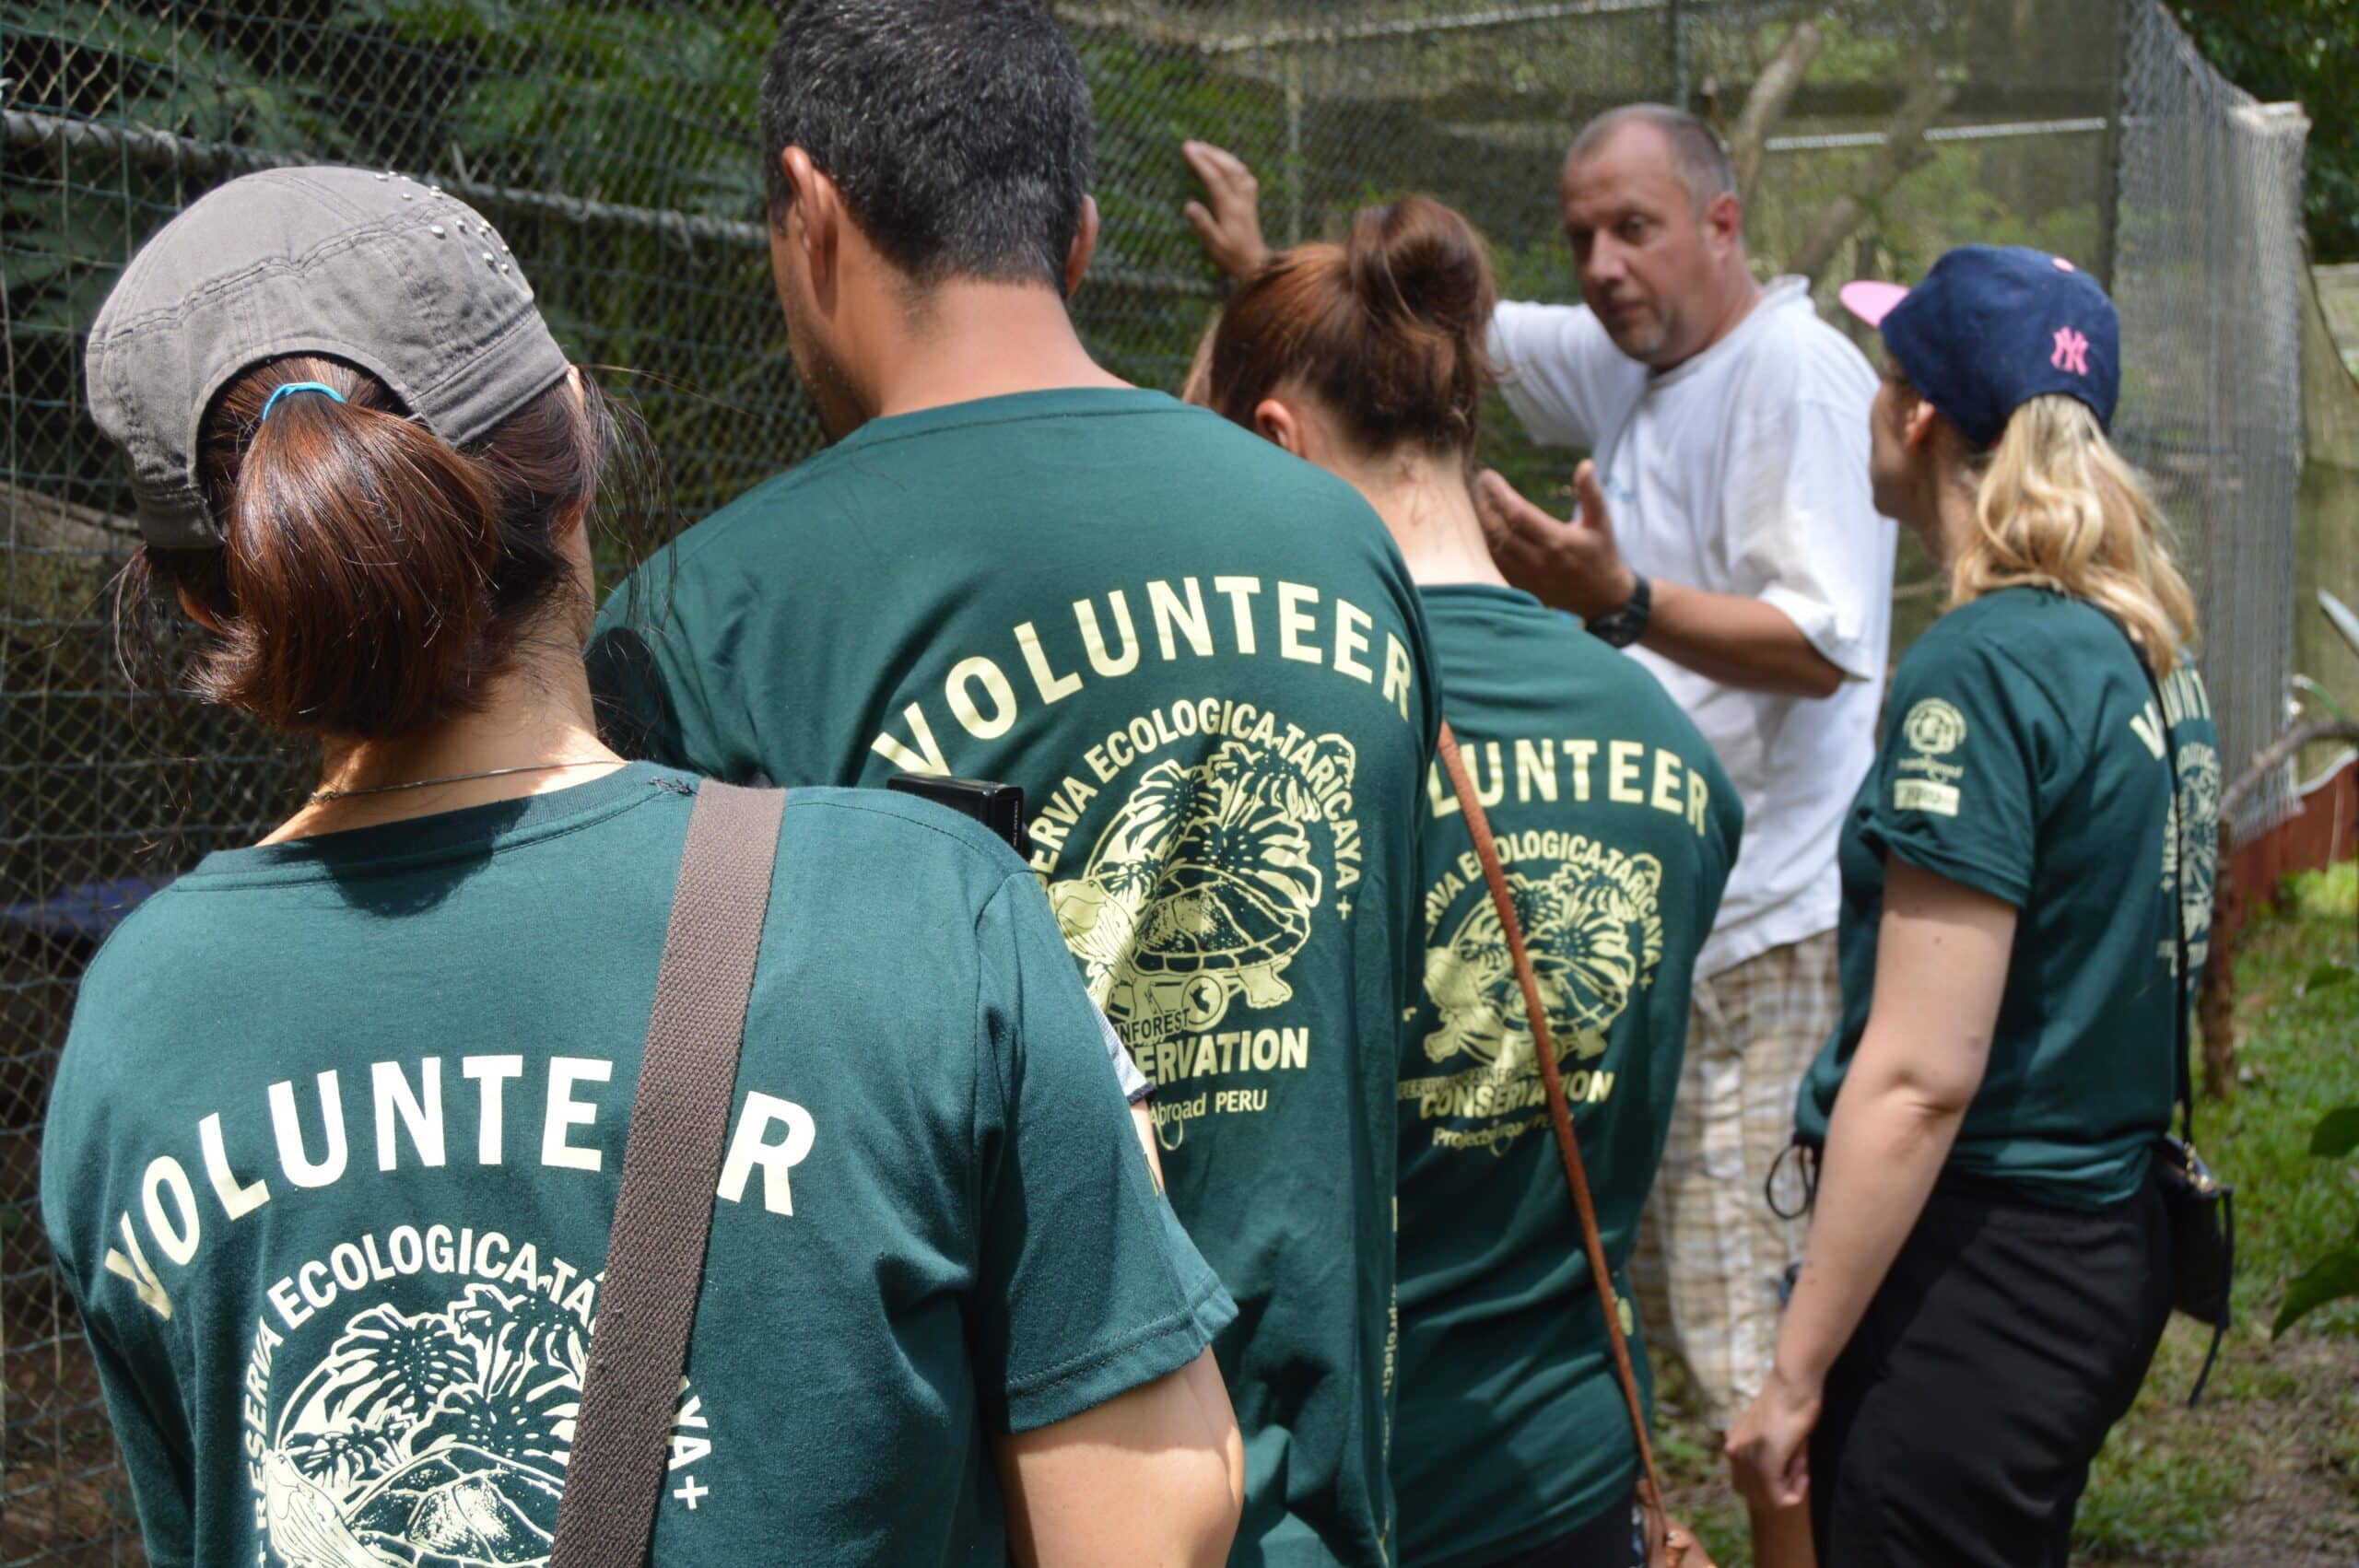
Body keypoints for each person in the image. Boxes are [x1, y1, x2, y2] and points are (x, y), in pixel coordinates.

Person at [40, 165, 1244, 1567]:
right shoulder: (919, 912)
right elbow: (1157, 1515)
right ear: (575, 459)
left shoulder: (138, 1014)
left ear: (203, 594)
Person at [589, 6, 1439, 1562]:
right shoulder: (1343, 543)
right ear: (1085, 236)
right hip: (1311, 1510)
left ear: (809, 211)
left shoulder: (708, 622)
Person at [1184, 115, 1888, 1563]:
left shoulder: (1261, 732)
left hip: (1341, 1482)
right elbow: (1405, 319)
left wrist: (1625, 595)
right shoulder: (1678, 764)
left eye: (1636, 228)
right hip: (1563, 1468)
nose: (1606, 266)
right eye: (1583, 238)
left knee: (1754, 1338)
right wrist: (1269, 273)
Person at [1724, 246, 2217, 1566]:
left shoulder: (1978, 667)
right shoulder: (2141, 645)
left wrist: (1795, 1370)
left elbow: (1923, 1074)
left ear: (1917, 414)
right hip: (2105, 1241)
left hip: (1981, 1267)